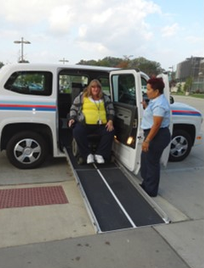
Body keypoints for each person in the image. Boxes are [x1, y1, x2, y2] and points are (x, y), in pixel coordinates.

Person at [68, 79, 115, 164]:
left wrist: (110, 120)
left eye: (97, 87)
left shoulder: (105, 98)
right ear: (90, 88)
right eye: (93, 87)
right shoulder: (82, 96)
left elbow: (111, 109)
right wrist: (72, 118)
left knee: (110, 131)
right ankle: (87, 154)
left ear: (100, 88)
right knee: (77, 131)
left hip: (101, 125)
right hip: (85, 124)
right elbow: (74, 108)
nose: (95, 89)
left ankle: (100, 154)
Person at [140, 77, 171, 197]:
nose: (146, 91)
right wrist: (145, 107)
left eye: (148, 89)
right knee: (145, 159)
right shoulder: (155, 101)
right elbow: (152, 115)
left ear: (156, 91)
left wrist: (147, 140)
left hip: (157, 136)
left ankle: (151, 191)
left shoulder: (160, 104)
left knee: (152, 162)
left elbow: (157, 124)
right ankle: (146, 184)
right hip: (153, 134)